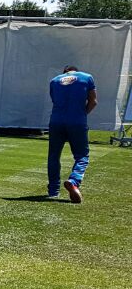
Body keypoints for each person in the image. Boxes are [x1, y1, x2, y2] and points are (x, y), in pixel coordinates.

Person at [47, 65, 97, 203]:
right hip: (77, 121)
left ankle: (53, 191)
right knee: (82, 156)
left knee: (53, 156)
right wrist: (82, 114)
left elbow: (55, 101)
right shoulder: (87, 77)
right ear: (76, 70)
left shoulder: (54, 81)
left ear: (64, 72)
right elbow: (93, 101)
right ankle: (73, 180)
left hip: (56, 121)